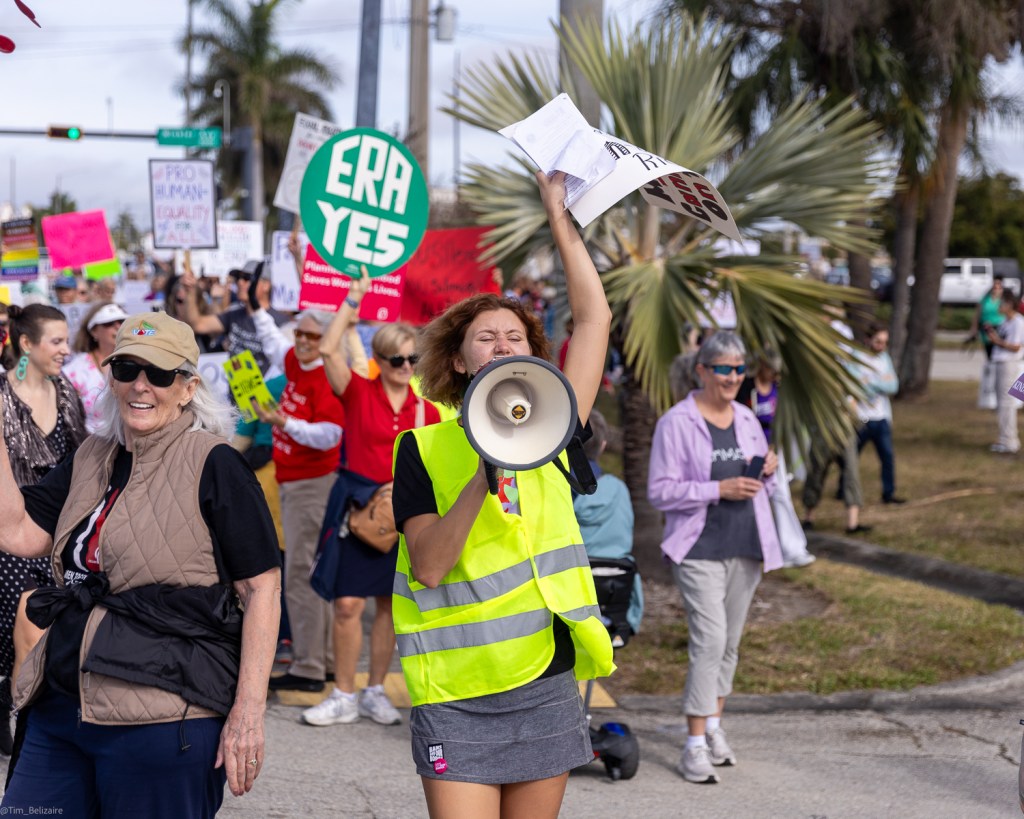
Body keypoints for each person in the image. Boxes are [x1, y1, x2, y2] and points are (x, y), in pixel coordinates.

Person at [390, 171, 614, 818]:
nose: (503, 342)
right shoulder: (424, 448)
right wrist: (481, 477)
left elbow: (595, 317)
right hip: (457, 693)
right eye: (486, 337)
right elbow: (429, 566)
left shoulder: (553, 427)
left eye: (515, 337)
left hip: (543, 679)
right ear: (460, 361)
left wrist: (559, 218)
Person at [0, 311, 281, 815]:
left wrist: (248, 713)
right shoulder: (91, 455)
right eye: (127, 369)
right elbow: (17, 532)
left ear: (189, 387)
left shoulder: (215, 463)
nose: (140, 385)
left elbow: (261, 589)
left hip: (164, 719)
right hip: (63, 705)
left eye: (159, 373)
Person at [647, 331, 783, 785]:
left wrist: (768, 467)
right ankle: (693, 744)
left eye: (739, 369)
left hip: (747, 544)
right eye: (723, 368)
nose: (732, 377)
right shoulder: (676, 422)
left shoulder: (746, 417)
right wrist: (716, 489)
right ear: (701, 370)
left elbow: (760, 476)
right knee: (709, 641)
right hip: (698, 547)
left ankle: (715, 728)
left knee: (729, 644)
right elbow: (660, 491)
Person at [301, 289, 439, 726]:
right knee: (346, 604)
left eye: (413, 360)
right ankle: (343, 692)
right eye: (397, 361)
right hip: (356, 507)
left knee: (389, 604)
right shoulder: (359, 391)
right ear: (381, 358)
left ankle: (375, 689)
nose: (406, 369)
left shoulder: (428, 410)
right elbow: (327, 346)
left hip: (401, 512)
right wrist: (353, 300)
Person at [0, 304, 87, 755]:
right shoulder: (1, 395)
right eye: (56, 341)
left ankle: (28, 707)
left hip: (55, 524)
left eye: (67, 340)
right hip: (11, 525)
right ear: (26, 344)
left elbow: (84, 460)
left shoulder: (66, 392)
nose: (65, 350)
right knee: (20, 599)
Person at [245, 307, 346, 694]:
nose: (303, 340)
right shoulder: (296, 359)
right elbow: (274, 343)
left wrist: (283, 423)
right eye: (300, 333)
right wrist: (257, 308)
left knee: (303, 575)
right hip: (296, 480)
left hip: (312, 483)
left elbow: (330, 435)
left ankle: (309, 665)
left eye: (313, 336)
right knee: (310, 572)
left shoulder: (326, 377)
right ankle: (323, 661)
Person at [737, 349, 816, 567]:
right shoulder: (746, 387)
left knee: (780, 493)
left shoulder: (779, 389)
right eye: (772, 370)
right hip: (748, 451)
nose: (775, 375)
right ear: (762, 365)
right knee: (749, 498)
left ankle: (793, 548)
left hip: (773, 450)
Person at [571, 409, 643, 636]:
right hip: (614, 595)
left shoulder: (558, 489)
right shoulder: (619, 489)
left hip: (573, 590)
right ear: (602, 445)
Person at [179, 261, 288, 375]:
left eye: (247, 278)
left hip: (269, 391)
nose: (240, 283)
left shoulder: (281, 322)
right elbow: (198, 325)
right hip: (236, 391)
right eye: (239, 278)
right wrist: (190, 290)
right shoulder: (234, 314)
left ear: (266, 285)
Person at [855, 324, 904, 501]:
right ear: (868, 340)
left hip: (881, 417)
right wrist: (880, 383)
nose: (881, 346)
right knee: (850, 459)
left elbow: (893, 386)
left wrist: (871, 383)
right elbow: (857, 386)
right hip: (860, 418)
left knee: (887, 457)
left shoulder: (884, 359)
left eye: (885, 342)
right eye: (878, 341)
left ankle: (888, 493)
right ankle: (844, 490)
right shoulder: (857, 357)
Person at [62, 302, 129, 433]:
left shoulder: (135, 362)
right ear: (94, 331)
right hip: (90, 445)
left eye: (121, 321)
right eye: (109, 323)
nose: (117, 327)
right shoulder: (75, 370)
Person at [988, 289, 1024, 454]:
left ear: (1010, 304)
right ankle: (1004, 437)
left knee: (1007, 403)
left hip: (1009, 364)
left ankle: (1010, 441)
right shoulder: (1005, 322)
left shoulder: (1018, 322)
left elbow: (1016, 346)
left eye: (1001, 302)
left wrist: (998, 341)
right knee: (1001, 403)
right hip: (1000, 363)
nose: (999, 305)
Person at [968, 275, 1005, 410]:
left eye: (999, 287)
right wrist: (974, 330)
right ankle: (991, 396)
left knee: (1001, 365)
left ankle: (1005, 396)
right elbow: (977, 315)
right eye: (995, 287)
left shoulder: (1003, 301)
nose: (996, 289)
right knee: (991, 363)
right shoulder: (985, 300)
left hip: (1000, 335)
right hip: (987, 334)